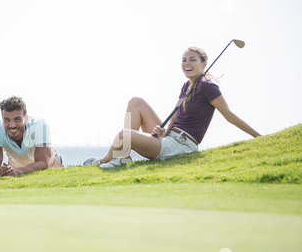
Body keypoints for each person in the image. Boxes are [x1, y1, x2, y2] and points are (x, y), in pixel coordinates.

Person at [84, 46, 261, 168]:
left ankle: (104, 160)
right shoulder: (187, 85)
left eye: (192, 59)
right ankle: (123, 156)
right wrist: (164, 130)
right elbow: (175, 116)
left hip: (181, 146)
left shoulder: (208, 87)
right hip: (171, 137)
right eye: (184, 60)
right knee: (135, 102)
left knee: (124, 135)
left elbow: (229, 116)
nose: (187, 63)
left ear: (204, 63)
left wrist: (258, 137)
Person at [0, 96, 63, 177]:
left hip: (52, 164)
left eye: (17, 119)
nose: (12, 125)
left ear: (26, 118)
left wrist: (18, 171)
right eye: (7, 120)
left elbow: (43, 163)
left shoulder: (41, 126)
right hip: (16, 166)